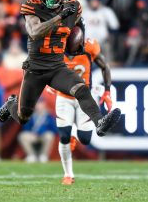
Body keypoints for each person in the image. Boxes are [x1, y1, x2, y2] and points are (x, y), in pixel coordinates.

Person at [0, 0, 121, 139]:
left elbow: (77, 29)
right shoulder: (32, 7)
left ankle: (99, 122)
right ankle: (11, 103)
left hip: (57, 67)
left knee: (81, 88)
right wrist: (60, 16)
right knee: (23, 117)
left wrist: (79, 41)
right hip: (35, 68)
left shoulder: (74, 8)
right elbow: (34, 32)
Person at [56, 34, 112, 185]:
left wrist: (107, 91)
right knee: (63, 136)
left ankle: (75, 133)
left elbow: (105, 66)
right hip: (64, 97)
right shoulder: (56, 45)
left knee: (85, 139)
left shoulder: (89, 46)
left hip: (84, 97)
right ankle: (68, 174)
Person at [18, 97, 56, 163]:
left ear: (44, 104)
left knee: (50, 135)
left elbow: (54, 129)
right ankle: (31, 155)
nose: (39, 105)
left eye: (41, 103)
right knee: (22, 136)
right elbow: (26, 128)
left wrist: (41, 133)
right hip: (33, 136)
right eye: (37, 104)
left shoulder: (48, 115)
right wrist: (32, 134)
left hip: (43, 136)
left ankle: (43, 156)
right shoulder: (30, 115)